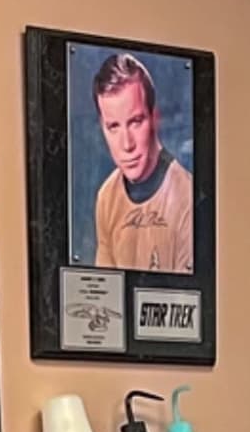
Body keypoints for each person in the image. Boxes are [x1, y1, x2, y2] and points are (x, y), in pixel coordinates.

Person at [83, 53, 193, 273]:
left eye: (135, 122)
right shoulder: (107, 197)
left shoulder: (186, 196)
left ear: (155, 118)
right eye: (113, 126)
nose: (127, 144)